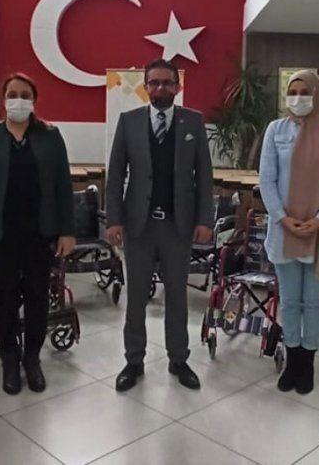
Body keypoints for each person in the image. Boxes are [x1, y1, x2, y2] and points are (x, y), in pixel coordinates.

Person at [106, 59, 214, 392]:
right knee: (136, 296)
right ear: (145, 87)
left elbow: (204, 176)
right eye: (154, 82)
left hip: (177, 226)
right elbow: (116, 174)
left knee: (177, 297)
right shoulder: (128, 122)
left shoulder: (193, 121)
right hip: (138, 225)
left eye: (167, 82)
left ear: (177, 87)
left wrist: (204, 219)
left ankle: (178, 359)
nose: (160, 88)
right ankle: (133, 360)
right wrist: (113, 219)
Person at [0, 73, 75, 395]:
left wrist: (67, 231)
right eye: (12, 94)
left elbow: (63, 186)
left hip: (40, 234)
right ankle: (9, 360)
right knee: (6, 300)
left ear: (34, 100)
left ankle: (32, 359)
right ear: (3, 100)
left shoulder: (50, 136)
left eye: (25, 95)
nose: (18, 100)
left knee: (38, 299)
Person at [259, 70, 319, 395]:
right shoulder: (276, 130)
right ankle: (292, 358)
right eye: (292, 92)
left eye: (304, 91)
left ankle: (307, 362)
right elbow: (266, 179)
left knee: (313, 301)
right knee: (289, 301)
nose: (298, 98)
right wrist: (282, 218)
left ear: (317, 94)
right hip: (285, 229)